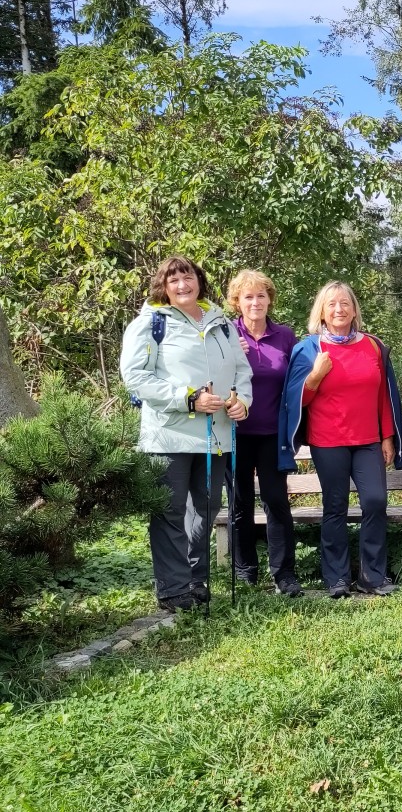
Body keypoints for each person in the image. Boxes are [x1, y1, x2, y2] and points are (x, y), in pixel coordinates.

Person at [119, 255, 251, 612]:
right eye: (173, 279)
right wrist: (187, 399)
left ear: (199, 280)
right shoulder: (150, 323)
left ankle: (195, 576)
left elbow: (241, 370)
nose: (182, 285)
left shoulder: (220, 321)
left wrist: (241, 401)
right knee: (170, 511)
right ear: (163, 286)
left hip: (216, 435)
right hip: (169, 435)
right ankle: (174, 589)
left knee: (207, 507)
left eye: (188, 276)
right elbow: (136, 377)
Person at [279, 281, 402, 598]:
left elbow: (384, 395)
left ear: (354, 309)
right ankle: (337, 578)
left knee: (376, 502)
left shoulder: (373, 346)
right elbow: (297, 400)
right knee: (335, 507)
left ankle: (372, 576)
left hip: (368, 440)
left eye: (344, 303)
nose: (339, 309)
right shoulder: (309, 349)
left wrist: (388, 437)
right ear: (322, 312)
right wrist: (315, 375)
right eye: (331, 304)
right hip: (329, 441)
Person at [226, 269, 302, 597]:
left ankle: (284, 573)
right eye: (248, 297)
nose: (255, 302)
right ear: (236, 303)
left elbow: (299, 380)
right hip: (234, 433)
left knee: (276, 500)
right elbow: (210, 376)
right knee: (239, 504)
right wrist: (232, 356)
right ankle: (245, 572)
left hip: (273, 433)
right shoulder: (225, 334)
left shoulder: (285, 335)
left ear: (270, 299)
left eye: (261, 296)